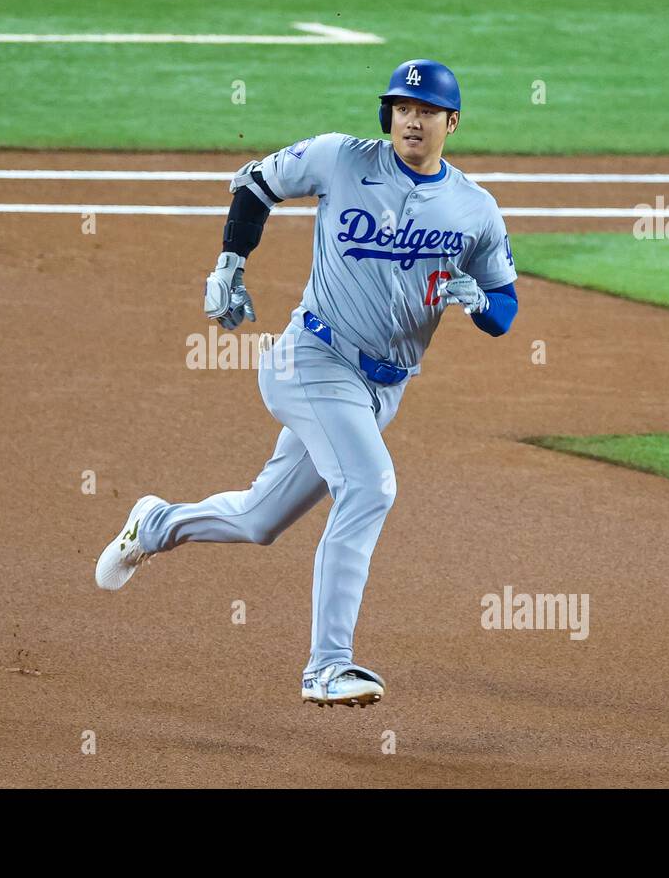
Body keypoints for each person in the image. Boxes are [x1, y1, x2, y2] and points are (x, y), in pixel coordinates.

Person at [95, 59, 519, 708]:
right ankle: (327, 666)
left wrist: (479, 305)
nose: (412, 119)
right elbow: (256, 183)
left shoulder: (475, 210)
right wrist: (231, 265)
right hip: (311, 360)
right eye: (402, 107)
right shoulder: (339, 158)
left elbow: (505, 310)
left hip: (382, 390)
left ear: (450, 123)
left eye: (427, 111)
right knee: (371, 485)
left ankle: (155, 525)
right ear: (389, 116)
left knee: (260, 520)